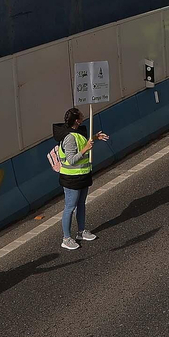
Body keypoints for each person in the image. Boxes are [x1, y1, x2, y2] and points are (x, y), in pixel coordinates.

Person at [56, 107, 109, 250]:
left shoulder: (77, 134)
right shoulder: (69, 138)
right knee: (70, 207)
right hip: (71, 179)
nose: (84, 116)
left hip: (82, 175)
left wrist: (95, 138)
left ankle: (81, 231)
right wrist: (86, 148)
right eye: (81, 115)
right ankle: (66, 238)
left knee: (81, 204)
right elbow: (72, 159)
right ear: (77, 120)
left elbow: (83, 145)